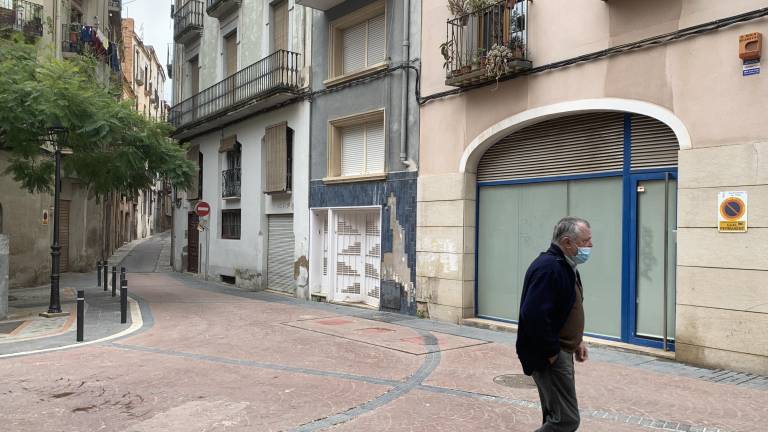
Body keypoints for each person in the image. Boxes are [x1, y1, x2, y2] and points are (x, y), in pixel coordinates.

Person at [516, 217, 593, 432]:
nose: (590, 246)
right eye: (586, 241)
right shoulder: (549, 268)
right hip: (551, 355)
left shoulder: (566, 265)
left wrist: (577, 341)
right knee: (566, 420)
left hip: (561, 351)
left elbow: (564, 310)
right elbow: (533, 316)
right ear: (568, 242)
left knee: (554, 415)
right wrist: (552, 353)